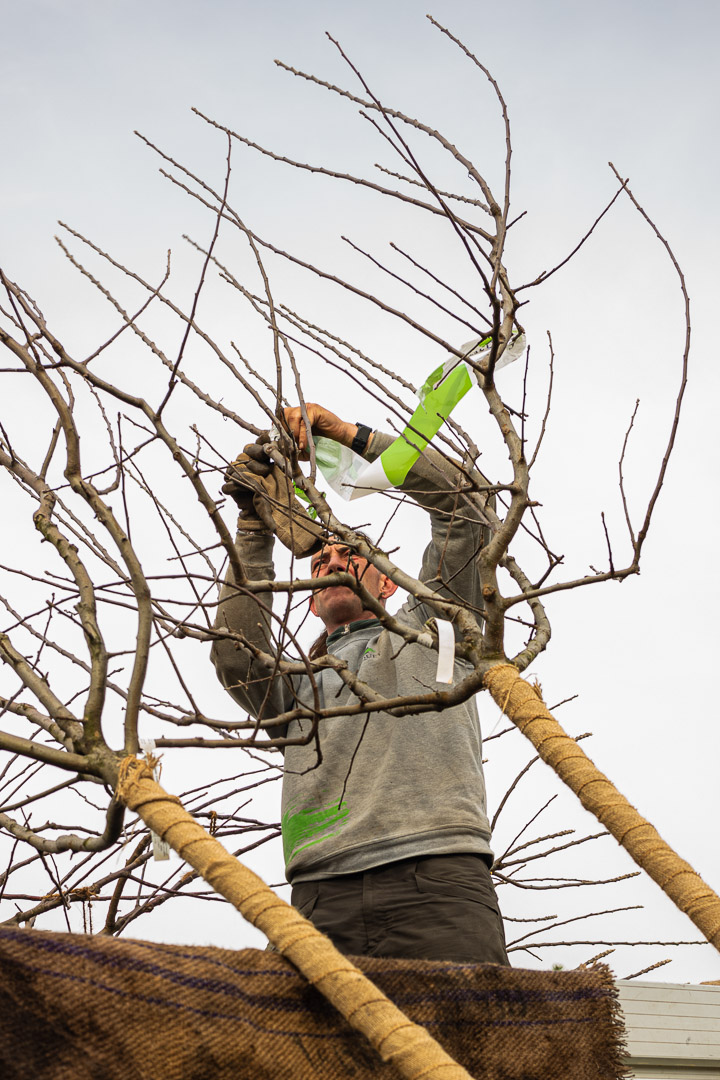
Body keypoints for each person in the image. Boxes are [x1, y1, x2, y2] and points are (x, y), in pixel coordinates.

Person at [211, 403, 508, 965]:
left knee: (472, 1042)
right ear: (310, 594)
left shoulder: (436, 627)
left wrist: (347, 436)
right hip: (321, 892)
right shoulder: (298, 688)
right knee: (323, 1054)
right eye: (322, 557)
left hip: (439, 872)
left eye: (354, 552)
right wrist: (253, 528)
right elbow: (234, 655)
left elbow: (463, 510)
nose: (334, 560)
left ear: (390, 584)